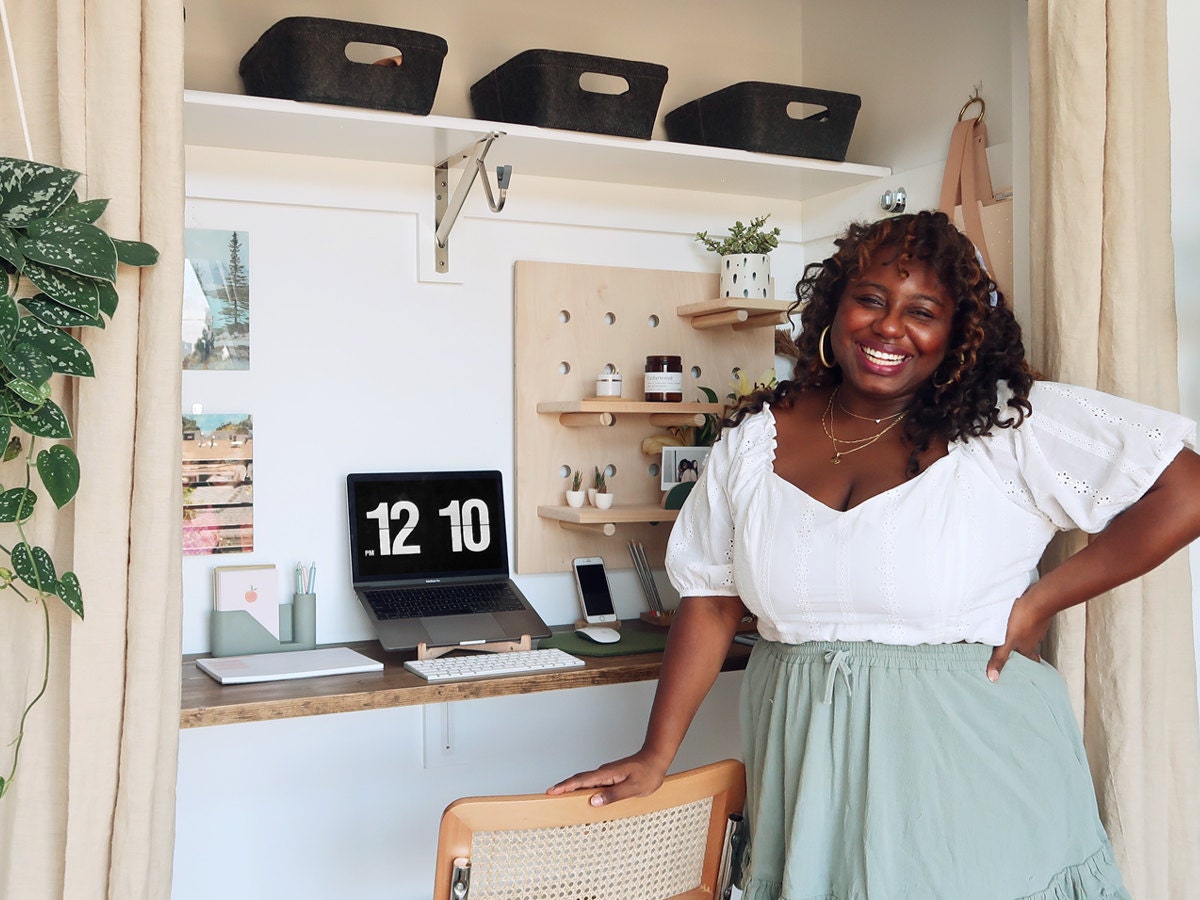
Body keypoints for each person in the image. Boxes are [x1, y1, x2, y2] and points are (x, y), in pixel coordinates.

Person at [549, 210, 1200, 898]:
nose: (890, 327)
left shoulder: (1005, 427)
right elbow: (711, 603)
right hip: (808, 781)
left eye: (923, 310)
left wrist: (1041, 600)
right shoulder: (753, 443)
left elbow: (1184, 489)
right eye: (870, 300)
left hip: (975, 778)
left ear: (957, 332)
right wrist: (657, 754)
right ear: (834, 310)